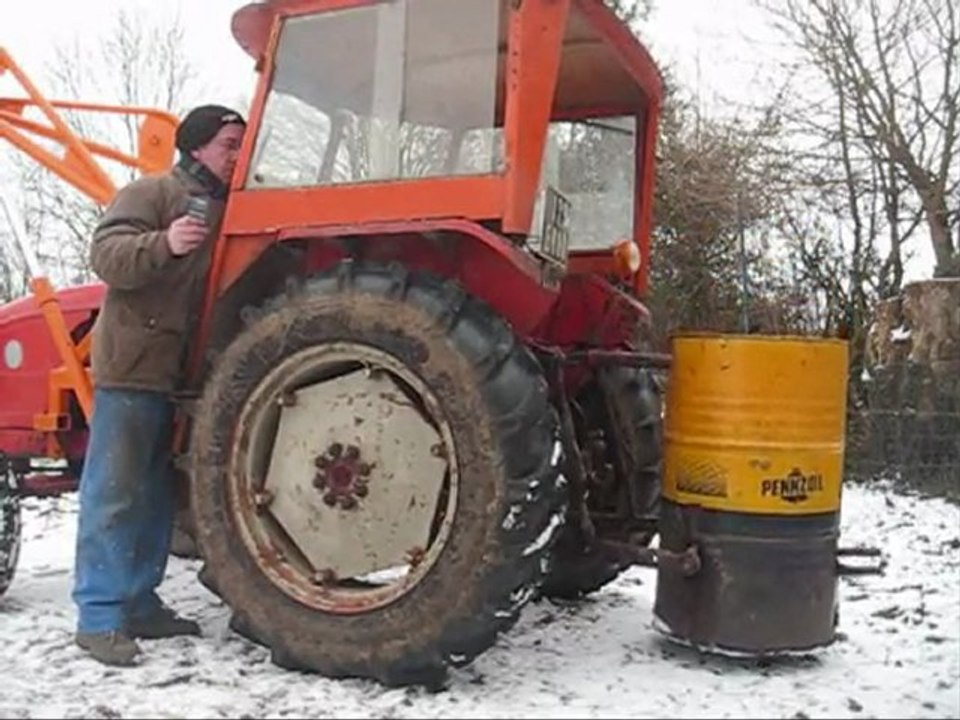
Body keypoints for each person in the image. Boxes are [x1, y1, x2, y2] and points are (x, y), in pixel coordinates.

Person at [72, 105, 247, 667]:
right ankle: (98, 616)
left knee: (155, 496)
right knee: (115, 490)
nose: (237, 154)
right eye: (228, 144)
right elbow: (106, 256)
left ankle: (140, 603)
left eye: (242, 144)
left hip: (181, 374)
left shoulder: (229, 210)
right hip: (133, 367)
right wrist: (164, 243)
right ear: (196, 148)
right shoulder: (151, 193)